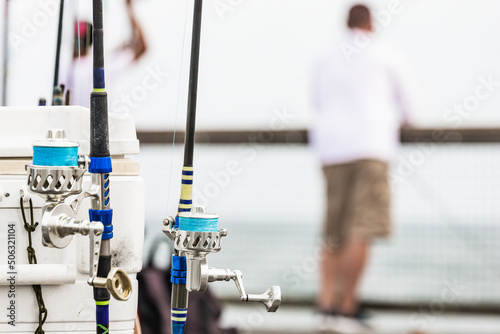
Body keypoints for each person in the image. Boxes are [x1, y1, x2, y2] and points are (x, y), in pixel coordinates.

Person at [310, 4, 416, 333]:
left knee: (334, 230)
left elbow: (317, 101)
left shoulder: (325, 57)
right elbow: (410, 106)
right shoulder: (385, 53)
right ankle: (346, 306)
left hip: (330, 149)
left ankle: (326, 304)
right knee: (362, 228)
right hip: (370, 147)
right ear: (371, 24)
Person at [64, 0, 147, 107]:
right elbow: (142, 47)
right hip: (101, 121)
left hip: (75, 122)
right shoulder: (103, 64)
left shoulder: (65, 67)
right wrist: (129, 9)